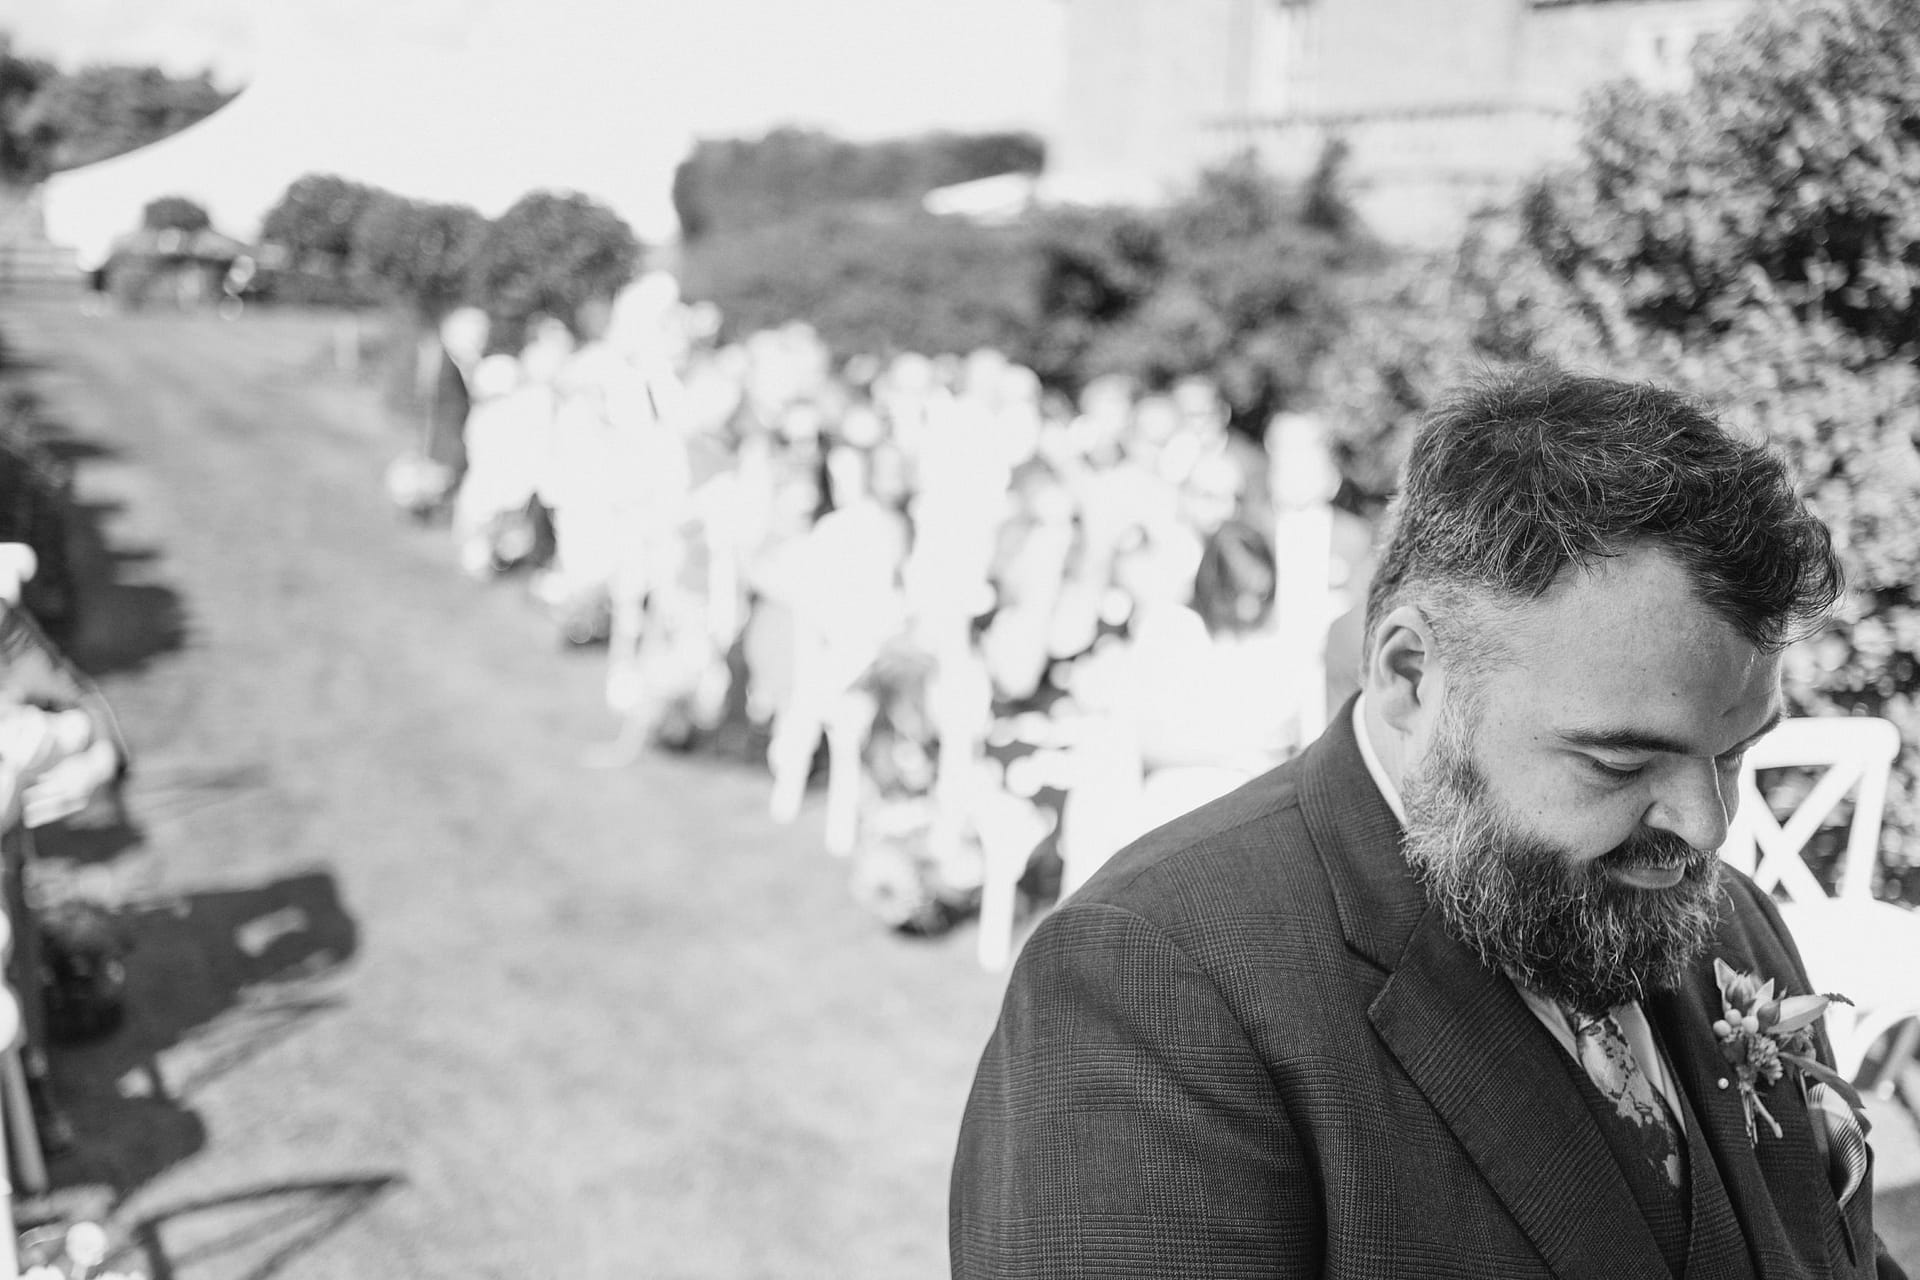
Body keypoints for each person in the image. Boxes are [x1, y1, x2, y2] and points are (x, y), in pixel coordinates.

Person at [951, 364, 1910, 1279]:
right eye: (1620, 759)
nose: (1706, 826)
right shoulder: (1154, 990)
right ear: (1412, 677)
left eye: (1735, 751)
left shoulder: (1731, 920)